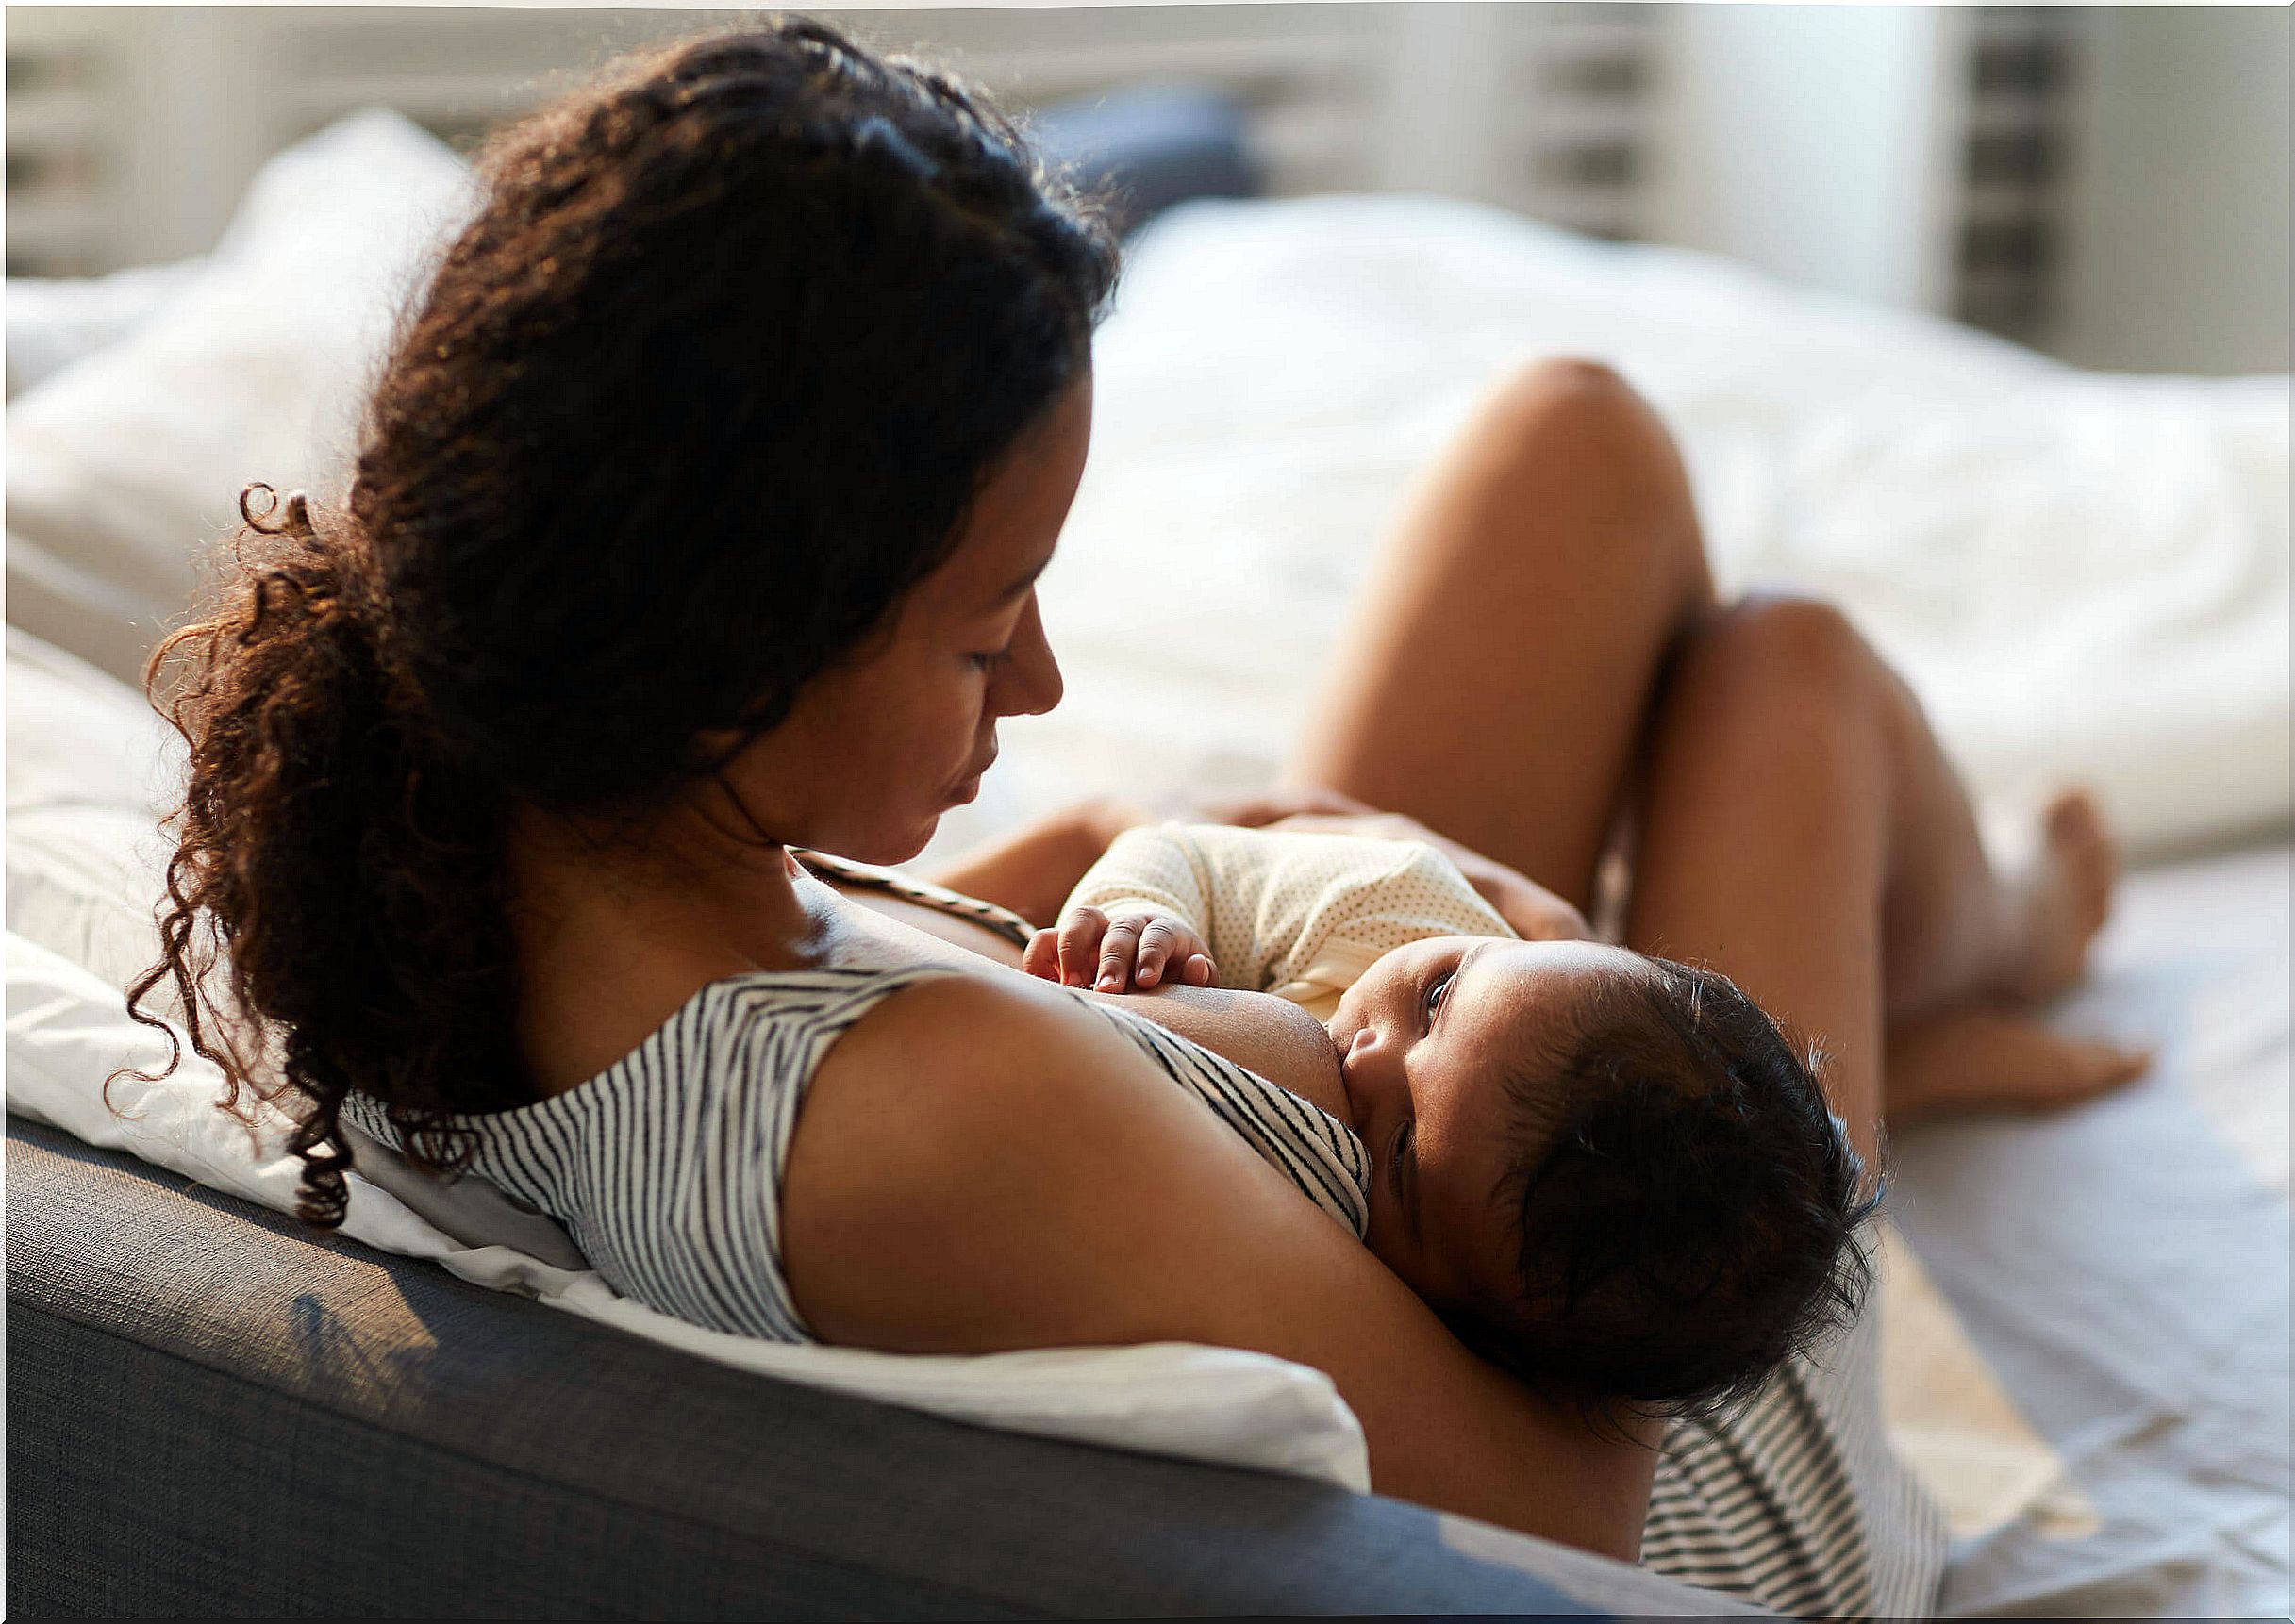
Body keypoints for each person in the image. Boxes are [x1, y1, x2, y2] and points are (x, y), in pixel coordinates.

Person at [122, 20, 2146, 1616]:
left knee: (1577, 443)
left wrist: (1204, 881)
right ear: (736, 646)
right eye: (986, 624)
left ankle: (1925, 985)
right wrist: (1534, 961)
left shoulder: (507, 843)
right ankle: (1986, 945)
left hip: (1384, 1102)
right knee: (1779, 674)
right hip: (1682, 1352)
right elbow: (1572, 1522)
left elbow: (975, 947)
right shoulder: (930, 1123)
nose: (1040, 682)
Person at [1025, 818, 1879, 1422]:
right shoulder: (1398, 904)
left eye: (1398, 1150)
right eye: (1434, 1001)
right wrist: (1145, 909)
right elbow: (1186, 851)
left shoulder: (1428, 1309)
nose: (1361, 1057)